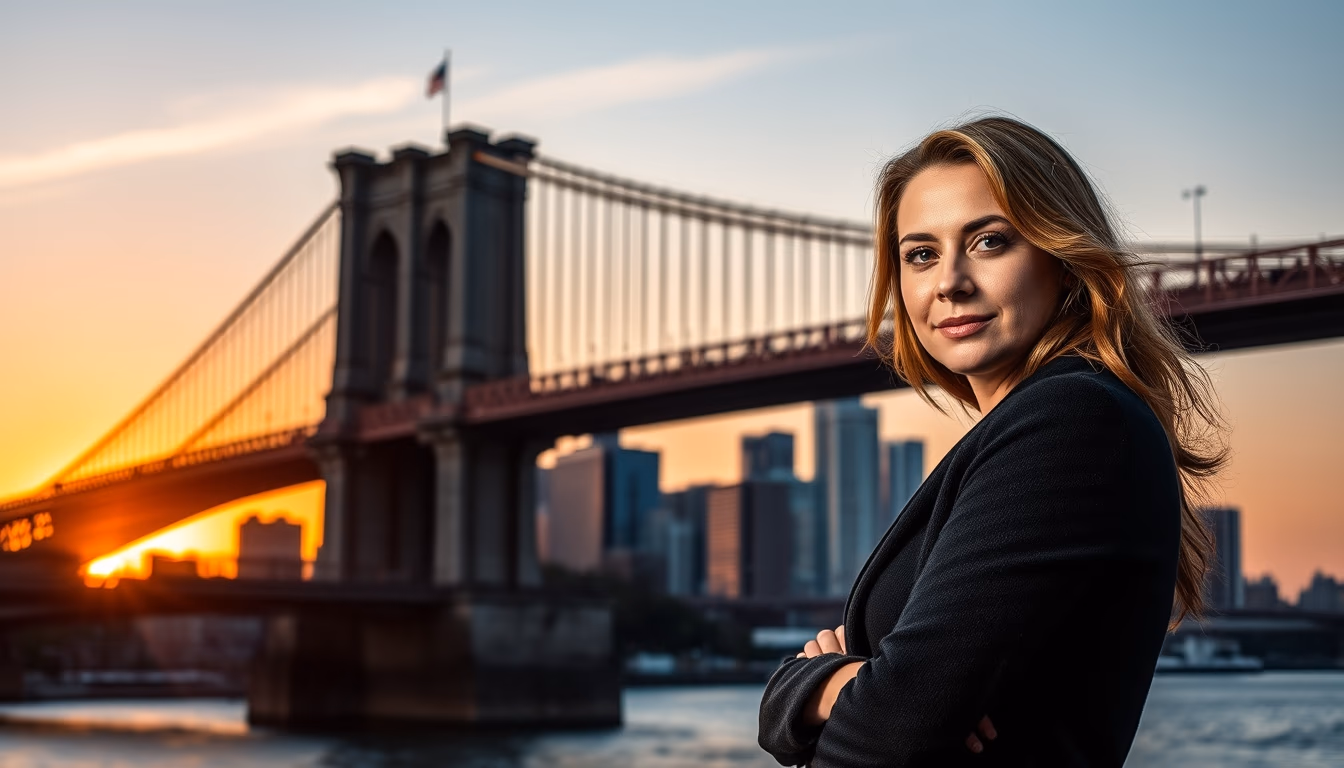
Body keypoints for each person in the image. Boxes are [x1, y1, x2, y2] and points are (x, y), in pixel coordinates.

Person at [757, 116, 1227, 766]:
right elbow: (893, 713)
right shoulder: (1030, 429)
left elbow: (894, 730)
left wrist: (821, 689)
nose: (949, 280)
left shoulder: (1074, 421)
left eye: (988, 241)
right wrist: (829, 688)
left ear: (1063, 261)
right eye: (921, 254)